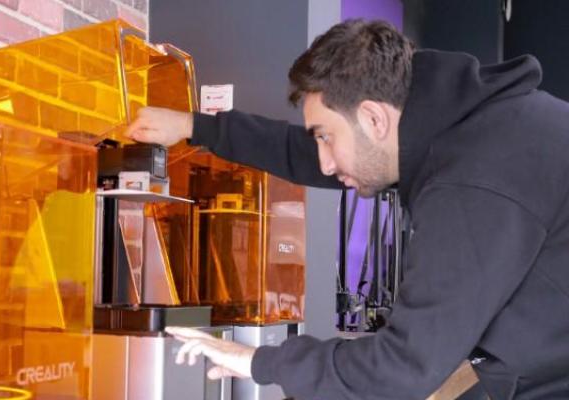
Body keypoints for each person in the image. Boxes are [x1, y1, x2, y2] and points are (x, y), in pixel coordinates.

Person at [123, 19, 569, 400]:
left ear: (374, 118)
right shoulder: (460, 123)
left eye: (324, 136)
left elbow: (402, 367)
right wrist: (194, 126)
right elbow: (314, 152)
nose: (323, 162)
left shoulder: (472, 182)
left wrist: (260, 361)